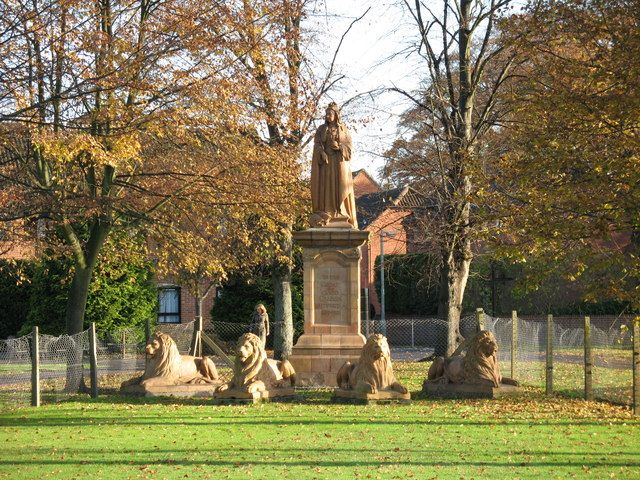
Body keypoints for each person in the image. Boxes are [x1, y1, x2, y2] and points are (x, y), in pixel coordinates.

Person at [310, 102, 358, 228]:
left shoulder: (343, 130)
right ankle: (327, 212)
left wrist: (340, 147)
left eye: (330, 114)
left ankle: (340, 211)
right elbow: (317, 144)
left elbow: (349, 148)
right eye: (326, 114)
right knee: (326, 187)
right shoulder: (321, 129)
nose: (327, 116)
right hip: (326, 164)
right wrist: (321, 153)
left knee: (338, 186)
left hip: (339, 164)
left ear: (336, 115)